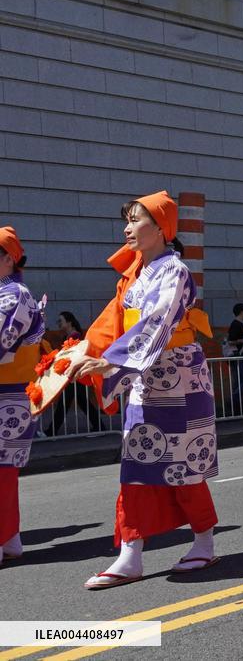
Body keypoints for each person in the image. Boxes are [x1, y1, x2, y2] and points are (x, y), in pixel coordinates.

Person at [68, 191, 219, 588]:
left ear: (160, 228)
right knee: (135, 466)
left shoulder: (175, 271)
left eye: (135, 220)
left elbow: (157, 321)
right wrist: (76, 355)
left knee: (184, 465)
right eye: (128, 220)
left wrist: (112, 362)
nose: (127, 228)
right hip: (142, 377)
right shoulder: (134, 276)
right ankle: (130, 553)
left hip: (178, 375)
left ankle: (203, 540)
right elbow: (108, 324)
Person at [0, 227, 45, 567]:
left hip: (9, 396)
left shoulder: (14, 295)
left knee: (2, 471)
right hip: (10, 395)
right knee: (4, 472)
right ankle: (10, 538)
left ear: (7, 259)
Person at [42, 311, 106, 436]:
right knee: (81, 402)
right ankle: (100, 427)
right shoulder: (68, 336)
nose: (59, 324)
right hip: (74, 374)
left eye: (61, 321)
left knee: (64, 403)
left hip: (74, 374)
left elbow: (73, 356)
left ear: (69, 322)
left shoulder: (75, 336)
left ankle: (51, 431)